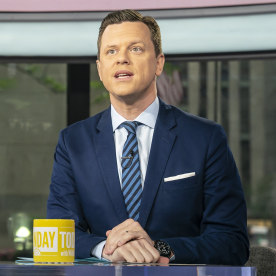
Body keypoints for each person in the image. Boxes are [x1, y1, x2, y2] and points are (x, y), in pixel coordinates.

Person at [47, 9, 249, 264]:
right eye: (111, 51)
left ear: (159, 63)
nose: (121, 59)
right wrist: (107, 248)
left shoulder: (206, 138)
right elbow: (56, 236)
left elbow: (232, 242)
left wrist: (159, 248)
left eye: (136, 49)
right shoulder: (73, 142)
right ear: (100, 69)